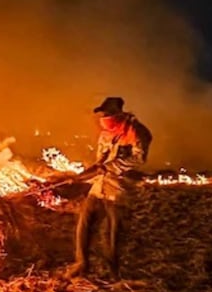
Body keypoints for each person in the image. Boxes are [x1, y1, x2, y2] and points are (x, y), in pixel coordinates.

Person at [63, 96, 152, 278]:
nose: (104, 117)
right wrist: (81, 177)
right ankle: (82, 263)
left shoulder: (135, 132)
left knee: (114, 228)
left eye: (108, 114)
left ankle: (112, 269)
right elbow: (100, 161)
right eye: (103, 114)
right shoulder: (106, 134)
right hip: (100, 183)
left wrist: (109, 167)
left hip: (120, 185)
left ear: (118, 114)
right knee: (85, 220)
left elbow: (138, 159)